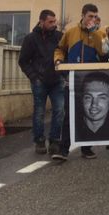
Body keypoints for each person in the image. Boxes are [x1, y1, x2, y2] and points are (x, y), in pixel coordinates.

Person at [52, 3, 109, 161]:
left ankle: (86, 148)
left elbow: (105, 54)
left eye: (95, 17)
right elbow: (60, 49)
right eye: (90, 16)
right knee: (69, 115)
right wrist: (58, 61)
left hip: (91, 81)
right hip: (72, 80)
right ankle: (63, 150)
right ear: (83, 15)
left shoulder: (100, 33)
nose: (92, 19)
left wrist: (96, 34)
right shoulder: (71, 32)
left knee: (88, 113)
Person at [18, 10, 64, 155]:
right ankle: (39, 140)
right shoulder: (30, 39)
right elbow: (23, 61)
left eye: (54, 21)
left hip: (57, 80)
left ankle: (55, 140)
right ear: (41, 21)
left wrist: (64, 73)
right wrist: (34, 77)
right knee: (39, 112)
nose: (54, 24)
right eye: (50, 22)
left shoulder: (59, 37)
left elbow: (65, 53)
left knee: (59, 110)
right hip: (39, 81)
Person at [76, 72, 109, 142]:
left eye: (102, 97)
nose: (94, 104)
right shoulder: (72, 129)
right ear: (81, 99)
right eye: (88, 97)